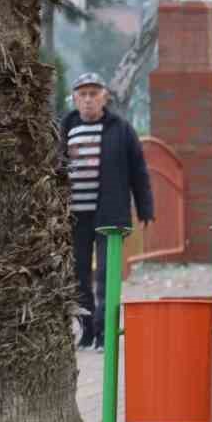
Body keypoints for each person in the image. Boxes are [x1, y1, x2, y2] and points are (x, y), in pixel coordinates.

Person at [61, 72, 154, 350]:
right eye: (83, 94)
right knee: (78, 275)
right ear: (75, 99)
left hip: (110, 217)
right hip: (75, 217)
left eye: (94, 93)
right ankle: (87, 330)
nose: (88, 99)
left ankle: (105, 332)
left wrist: (145, 207)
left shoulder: (121, 129)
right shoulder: (65, 127)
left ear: (105, 97)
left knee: (106, 274)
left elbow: (139, 171)